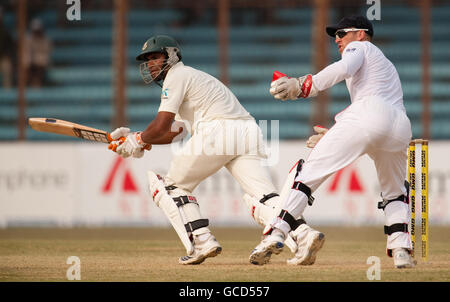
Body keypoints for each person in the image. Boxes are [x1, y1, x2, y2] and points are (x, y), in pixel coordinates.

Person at [108, 35, 324, 265]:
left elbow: (161, 124)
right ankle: (304, 234)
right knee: (263, 196)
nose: (150, 63)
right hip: (246, 131)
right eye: (147, 59)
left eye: (155, 57)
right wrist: (141, 140)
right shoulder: (189, 77)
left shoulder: (176, 75)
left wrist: (139, 139)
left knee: (171, 186)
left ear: (171, 56)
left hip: (219, 130)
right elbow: (176, 131)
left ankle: (202, 241)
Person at [251, 15, 415, 269]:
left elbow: (344, 69)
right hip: (400, 127)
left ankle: (276, 233)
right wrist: (337, 134)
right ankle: (401, 249)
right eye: (335, 35)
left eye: (342, 33)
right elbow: (375, 118)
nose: (337, 39)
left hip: (368, 117)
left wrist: (303, 85)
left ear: (361, 33)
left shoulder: (359, 47)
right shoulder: (384, 64)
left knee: (308, 174)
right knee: (395, 191)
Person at [25, 19, 52, 88]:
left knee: (38, 69)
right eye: (35, 31)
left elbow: (46, 55)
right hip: (30, 65)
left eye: (38, 31)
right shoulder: (28, 39)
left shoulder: (45, 39)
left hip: (41, 65)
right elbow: (26, 55)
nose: (36, 33)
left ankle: (37, 86)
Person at [0, 6, 14, 89]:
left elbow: (10, 46)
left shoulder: (5, 31)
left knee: (7, 67)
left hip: (3, 58)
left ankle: (7, 92)